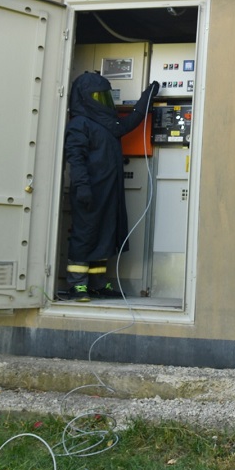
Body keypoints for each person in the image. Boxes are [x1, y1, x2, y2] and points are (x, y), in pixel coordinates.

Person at [59, 72, 160, 302]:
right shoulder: (79, 124)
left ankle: (96, 284)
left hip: (109, 192)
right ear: (86, 98)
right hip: (90, 192)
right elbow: (75, 158)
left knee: (104, 235)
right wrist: (82, 186)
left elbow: (127, 124)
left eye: (105, 96)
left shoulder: (106, 123)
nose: (103, 101)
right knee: (85, 236)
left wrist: (146, 98)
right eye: (98, 96)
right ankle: (78, 286)